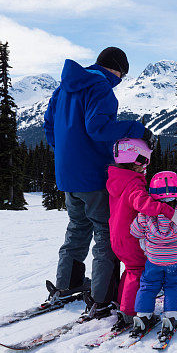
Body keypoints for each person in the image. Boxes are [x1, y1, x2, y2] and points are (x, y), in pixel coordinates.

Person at [44, 47, 157, 320]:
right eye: (123, 75)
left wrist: (67, 155)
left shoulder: (65, 87)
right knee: (106, 234)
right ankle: (101, 298)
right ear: (118, 69)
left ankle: (66, 284)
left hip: (68, 175)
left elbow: (49, 126)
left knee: (77, 228)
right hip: (94, 175)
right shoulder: (101, 88)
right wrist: (137, 129)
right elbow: (98, 129)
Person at [106, 138, 177, 331]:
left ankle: (123, 304)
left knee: (130, 270)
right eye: (144, 162)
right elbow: (144, 205)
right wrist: (168, 211)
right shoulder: (133, 184)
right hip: (131, 236)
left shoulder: (117, 179)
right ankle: (131, 312)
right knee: (137, 271)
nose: (146, 167)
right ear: (135, 160)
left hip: (117, 236)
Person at [130, 171, 177, 340]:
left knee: (148, 285)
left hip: (153, 259)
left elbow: (134, 231)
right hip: (175, 260)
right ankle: (170, 316)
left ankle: (143, 316)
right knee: (174, 285)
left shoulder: (145, 214)